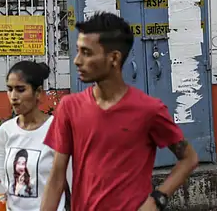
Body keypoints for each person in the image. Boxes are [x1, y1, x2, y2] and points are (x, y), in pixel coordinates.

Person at [40, 12, 199, 211]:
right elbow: (56, 177)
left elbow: (189, 158)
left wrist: (157, 199)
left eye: (87, 53)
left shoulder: (149, 110)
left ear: (114, 58)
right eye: (77, 51)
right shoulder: (69, 107)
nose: (77, 61)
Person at [0, 61, 71, 210]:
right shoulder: (5, 131)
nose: (13, 96)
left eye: (20, 90)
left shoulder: (57, 129)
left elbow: (71, 182)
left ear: (38, 92)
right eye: (9, 89)